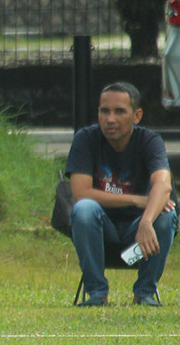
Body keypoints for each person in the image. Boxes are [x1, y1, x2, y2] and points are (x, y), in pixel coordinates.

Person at [67, 81, 178, 307]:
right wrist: (136, 200)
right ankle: (97, 294)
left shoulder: (150, 141)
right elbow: (80, 193)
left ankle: (144, 294)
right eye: (104, 111)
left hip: (138, 233)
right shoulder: (85, 139)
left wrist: (146, 221)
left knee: (166, 215)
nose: (110, 119)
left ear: (137, 116)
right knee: (84, 209)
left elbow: (163, 185)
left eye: (119, 112)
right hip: (99, 229)